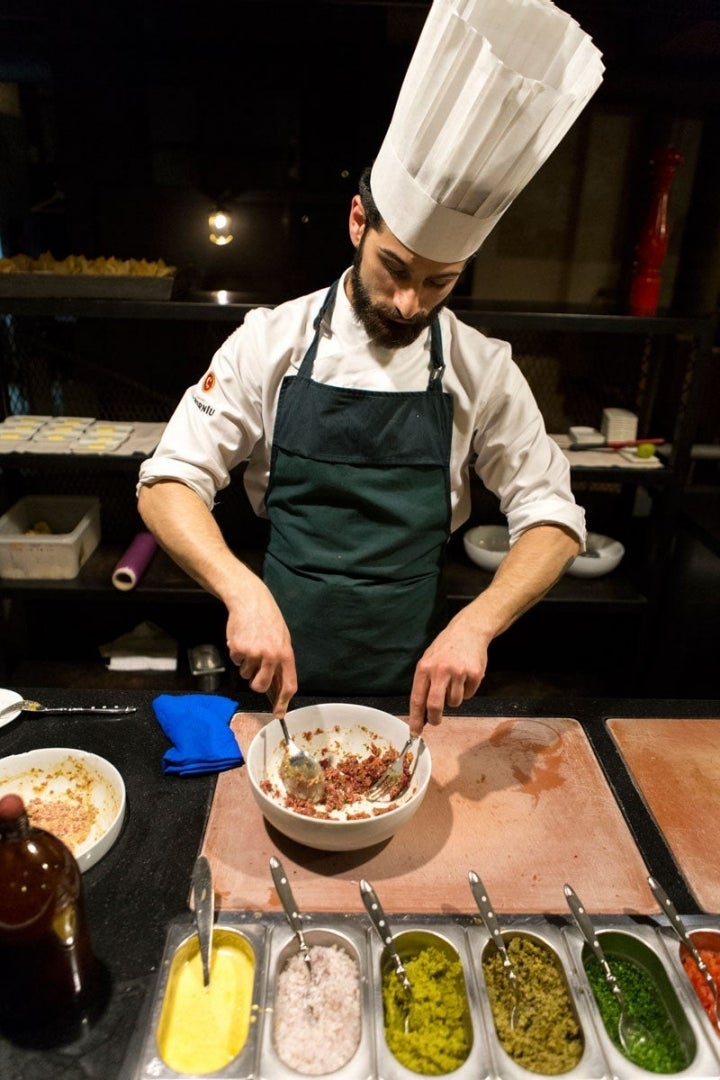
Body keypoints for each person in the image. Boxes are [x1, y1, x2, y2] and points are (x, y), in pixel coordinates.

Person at [137, 1, 603, 734]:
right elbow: (167, 483)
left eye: (441, 281)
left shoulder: (481, 366)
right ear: (358, 222)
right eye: (394, 269)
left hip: (415, 679)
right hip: (272, 666)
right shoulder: (271, 340)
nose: (411, 302)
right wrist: (242, 592)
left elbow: (552, 518)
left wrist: (478, 624)